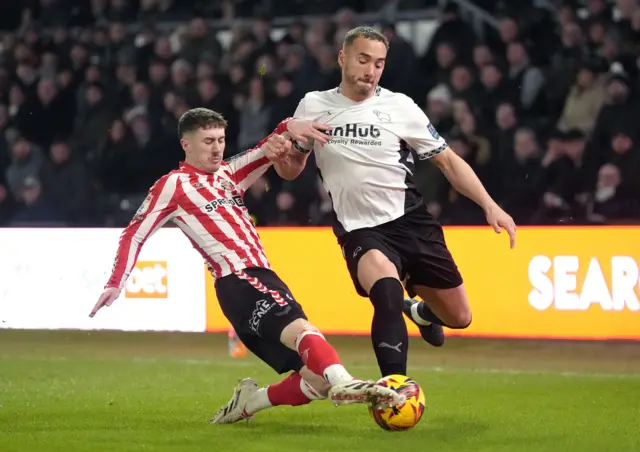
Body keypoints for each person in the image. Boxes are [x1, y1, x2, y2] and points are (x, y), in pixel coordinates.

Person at [88, 108, 403, 424]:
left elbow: (270, 143)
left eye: (221, 140)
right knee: (304, 331)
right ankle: (345, 381)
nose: (217, 148)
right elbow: (135, 232)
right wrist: (117, 281)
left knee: (316, 382)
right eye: (208, 140)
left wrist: (295, 128)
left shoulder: (228, 173)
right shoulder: (173, 185)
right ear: (186, 144)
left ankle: (250, 402)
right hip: (241, 277)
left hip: (244, 291)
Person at [288, 27, 517, 377]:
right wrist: (284, 151)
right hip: (360, 230)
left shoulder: (400, 106)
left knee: (460, 317)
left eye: (378, 64)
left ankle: (421, 312)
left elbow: (448, 161)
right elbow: (292, 170)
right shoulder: (313, 105)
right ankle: (394, 387)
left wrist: (490, 205)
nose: (370, 70)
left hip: (411, 221)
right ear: (342, 58)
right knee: (387, 295)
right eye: (363, 60)